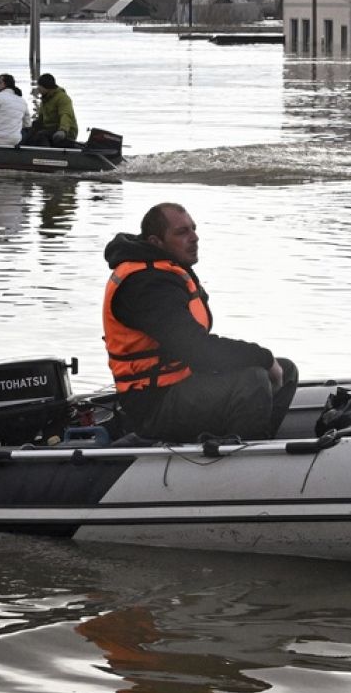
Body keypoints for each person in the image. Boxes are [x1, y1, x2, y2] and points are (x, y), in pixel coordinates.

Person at [102, 203, 298, 442]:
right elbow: (196, 349)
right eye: (181, 232)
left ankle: (253, 443)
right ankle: (242, 460)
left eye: (193, 229)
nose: (194, 238)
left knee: (285, 370)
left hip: (180, 382)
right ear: (156, 242)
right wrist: (263, 357)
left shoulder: (164, 271)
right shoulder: (146, 286)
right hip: (153, 404)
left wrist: (266, 361)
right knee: (254, 379)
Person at [24, 72, 78, 147]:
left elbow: (66, 115)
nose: (38, 89)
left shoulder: (63, 98)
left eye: (39, 86)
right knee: (29, 135)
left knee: (41, 135)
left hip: (66, 132)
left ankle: (46, 153)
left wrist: (63, 130)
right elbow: (41, 119)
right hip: (50, 129)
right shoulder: (45, 99)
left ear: (46, 87)